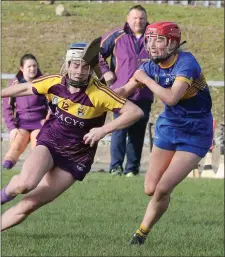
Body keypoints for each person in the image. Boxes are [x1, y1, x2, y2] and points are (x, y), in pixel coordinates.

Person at [0, 42, 144, 232]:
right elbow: (24, 89)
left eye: (85, 66)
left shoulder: (99, 93)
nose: (79, 71)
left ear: (91, 69)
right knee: (24, 184)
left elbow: (135, 112)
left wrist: (103, 130)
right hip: (50, 141)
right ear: (67, 65)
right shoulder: (54, 82)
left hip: (77, 156)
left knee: (29, 204)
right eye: (75, 65)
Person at [115, 21, 213, 245]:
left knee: (163, 187)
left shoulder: (186, 63)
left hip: (196, 132)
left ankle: (141, 234)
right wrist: (100, 93)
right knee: (151, 189)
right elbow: (124, 91)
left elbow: (171, 97)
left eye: (158, 40)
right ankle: (162, 199)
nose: (151, 45)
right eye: (149, 40)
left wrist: (146, 79)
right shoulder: (149, 66)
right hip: (169, 126)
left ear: (173, 43)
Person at [99, 5, 154, 177]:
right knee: (119, 130)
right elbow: (96, 54)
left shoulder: (154, 37)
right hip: (120, 94)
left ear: (146, 19)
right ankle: (115, 167)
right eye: (135, 18)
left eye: (141, 18)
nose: (138, 21)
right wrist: (105, 71)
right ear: (128, 19)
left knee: (137, 134)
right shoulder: (116, 36)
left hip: (144, 93)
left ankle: (132, 169)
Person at [2, 54, 49, 170]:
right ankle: (6, 169)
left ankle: (34, 171)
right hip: (21, 124)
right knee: (16, 145)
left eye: (34, 66)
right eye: (29, 66)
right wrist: (12, 128)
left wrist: (47, 120)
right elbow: (7, 107)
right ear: (22, 68)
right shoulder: (14, 84)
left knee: (37, 144)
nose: (32, 69)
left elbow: (52, 105)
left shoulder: (44, 82)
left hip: (39, 123)